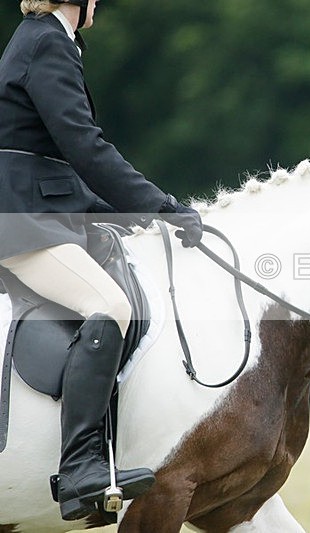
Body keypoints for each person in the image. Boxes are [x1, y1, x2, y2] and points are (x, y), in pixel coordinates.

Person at [0, 0, 203, 521]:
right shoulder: (46, 41)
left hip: (38, 211)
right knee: (109, 305)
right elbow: (84, 147)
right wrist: (159, 205)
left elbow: (51, 159)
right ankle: (80, 468)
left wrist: (116, 213)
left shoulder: (48, 40)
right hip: (20, 221)